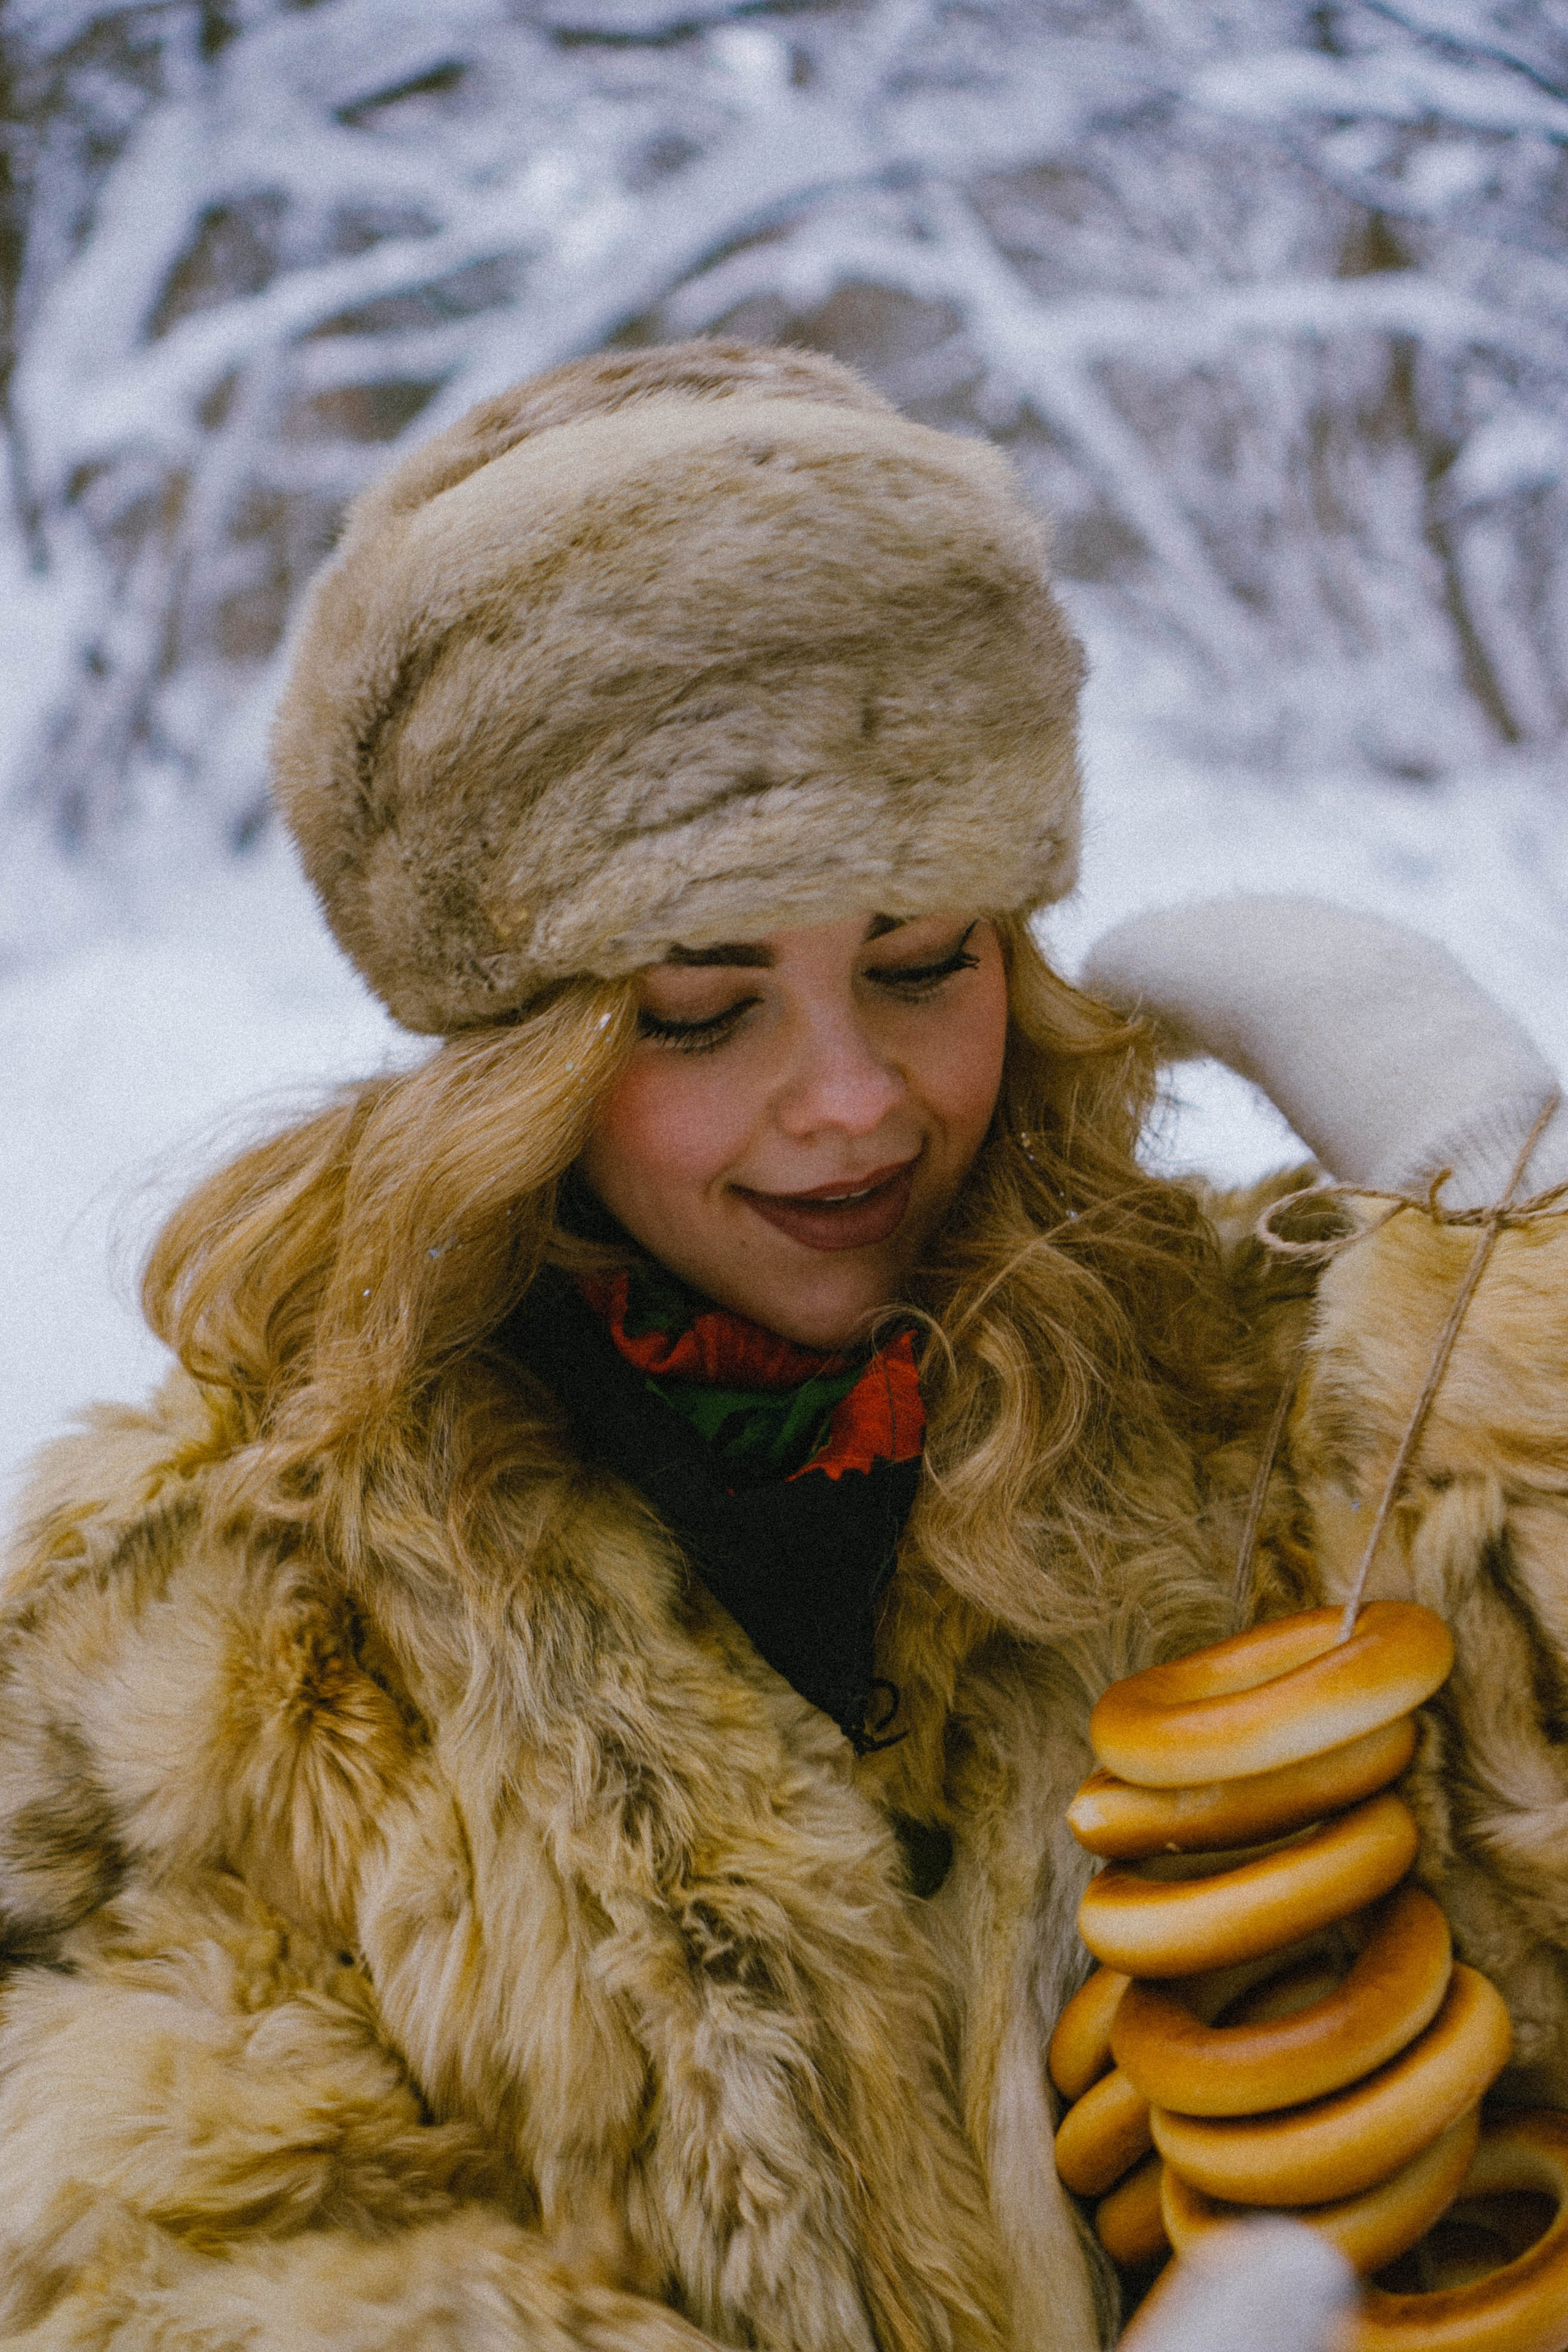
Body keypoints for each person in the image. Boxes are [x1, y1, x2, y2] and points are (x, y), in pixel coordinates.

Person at [6, 339, 1568, 2352]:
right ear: (519, 1052)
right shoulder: (231, 1620)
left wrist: (1511, 1285)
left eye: (923, 963)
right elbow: (169, 2260)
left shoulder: (1250, 1411)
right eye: (696, 1008)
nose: (854, 1104)